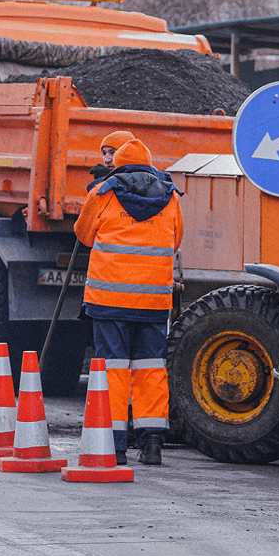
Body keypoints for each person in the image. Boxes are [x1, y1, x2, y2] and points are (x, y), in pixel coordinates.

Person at [74, 133, 183, 466]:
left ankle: (114, 445)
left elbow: (84, 234)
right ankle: (152, 443)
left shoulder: (103, 192)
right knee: (151, 369)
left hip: (110, 299)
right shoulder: (170, 195)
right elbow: (176, 239)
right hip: (153, 301)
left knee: (113, 369)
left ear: (118, 164)